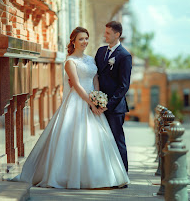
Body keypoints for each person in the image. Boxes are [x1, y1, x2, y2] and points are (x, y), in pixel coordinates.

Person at [14, 27, 129, 189]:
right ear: (73, 41)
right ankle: (67, 176)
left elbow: (95, 79)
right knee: (74, 139)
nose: (84, 42)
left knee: (96, 140)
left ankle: (99, 176)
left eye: (86, 38)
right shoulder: (70, 61)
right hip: (77, 101)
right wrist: (90, 102)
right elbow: (75, 84)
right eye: (81, 39)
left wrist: (98, 99)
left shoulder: (91, 59)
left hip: (92, 100)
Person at [95, 21, 132, 174]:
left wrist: (108, 105)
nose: (105, 35)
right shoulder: (100, 51)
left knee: (117, 141)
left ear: (117, 35)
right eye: (105, 32)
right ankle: (106, 173)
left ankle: (122, 175)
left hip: (115, 108)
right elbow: (95, 75)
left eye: (108, 33)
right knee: (100, 141)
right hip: (98, 104)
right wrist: (95, 100)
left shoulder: (125, 56)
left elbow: (124, 86)